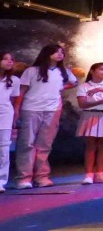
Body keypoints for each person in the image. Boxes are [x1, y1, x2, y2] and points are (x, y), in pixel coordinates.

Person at [15, 44, 77, 189]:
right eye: (56, 52)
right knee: (27, 143)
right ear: (47, 53)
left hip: (52, 109)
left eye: (62, 52)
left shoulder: (63, 71)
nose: (60, 54)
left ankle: (42, 176)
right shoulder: (32, 71)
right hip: (31, 108)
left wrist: (61, 87)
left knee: (44, 144)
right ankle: (24, 178)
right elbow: (22, 90)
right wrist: (17, 108)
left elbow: (74, 82)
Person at [0, 52, 20, 193]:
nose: (9, 61)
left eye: (11, 59)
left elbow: (13, 99)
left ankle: (1, 181)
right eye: (5, 59)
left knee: (4, 149)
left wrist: (13, 116)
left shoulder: (14, 80)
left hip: (5, 115)